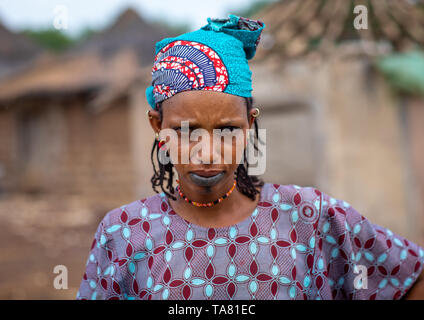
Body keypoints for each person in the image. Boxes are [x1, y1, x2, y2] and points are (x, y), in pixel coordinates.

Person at [76, 14, 424, 300]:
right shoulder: (124, 233)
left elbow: (410, 276)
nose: (208, 152)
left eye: (227, 130)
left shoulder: (314, 220)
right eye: (186, 131)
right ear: (158, 126)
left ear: (249, 124)